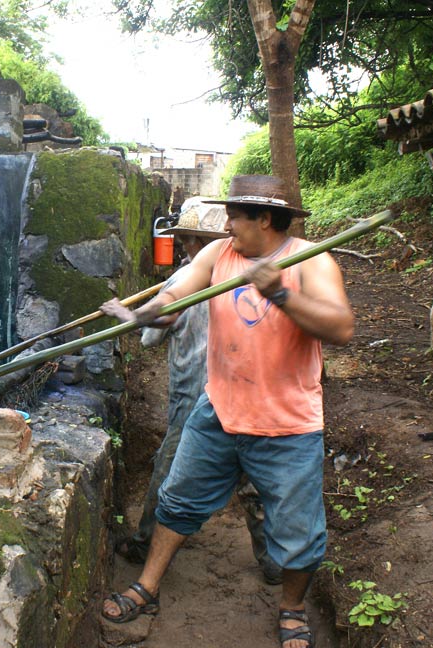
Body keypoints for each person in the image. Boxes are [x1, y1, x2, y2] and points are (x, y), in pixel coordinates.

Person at [101, 175, 354, 648]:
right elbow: (178, 295)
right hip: (217, 410)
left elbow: (341, 328)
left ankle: (293, 609)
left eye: (235, 216)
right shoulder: (219, 255)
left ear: (264, 218)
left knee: (299, 532)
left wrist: (280, 292)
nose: (227, 224)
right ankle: (149, 586)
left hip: (287, 425)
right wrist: (153, 311)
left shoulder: (312, 261)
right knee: (177, 501)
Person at [103, 201, 283, 586]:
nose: (186, 247)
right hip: (243, 390)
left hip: (194, 391)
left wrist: (122, 313)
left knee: (171, 468)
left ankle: (144, 542)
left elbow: (152, 335)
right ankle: (271, 559)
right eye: (185, 240)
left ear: (198, 242)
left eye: (188, 240)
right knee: (252, 474)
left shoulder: (184, 282)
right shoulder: (251, 276)